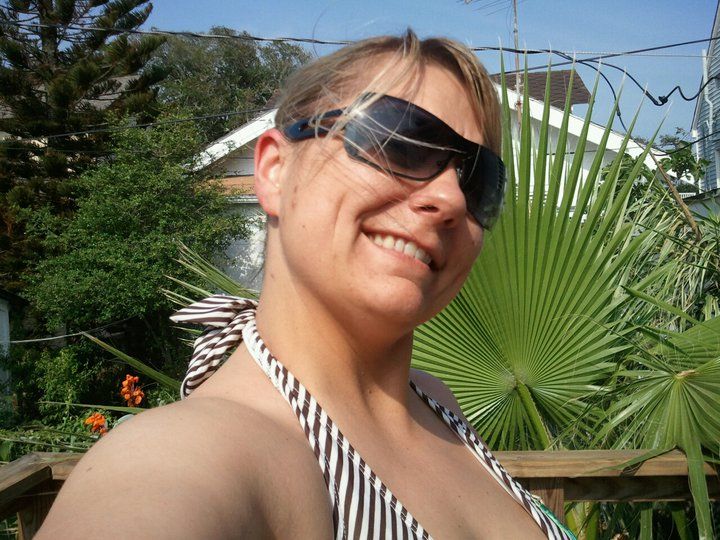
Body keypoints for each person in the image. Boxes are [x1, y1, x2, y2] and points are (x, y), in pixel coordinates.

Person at [37, 30, 575, 539]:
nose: (451, 199)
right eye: (400, 141)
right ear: (275, 171)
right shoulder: (196, 452)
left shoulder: (436, 403)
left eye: (478, 179)